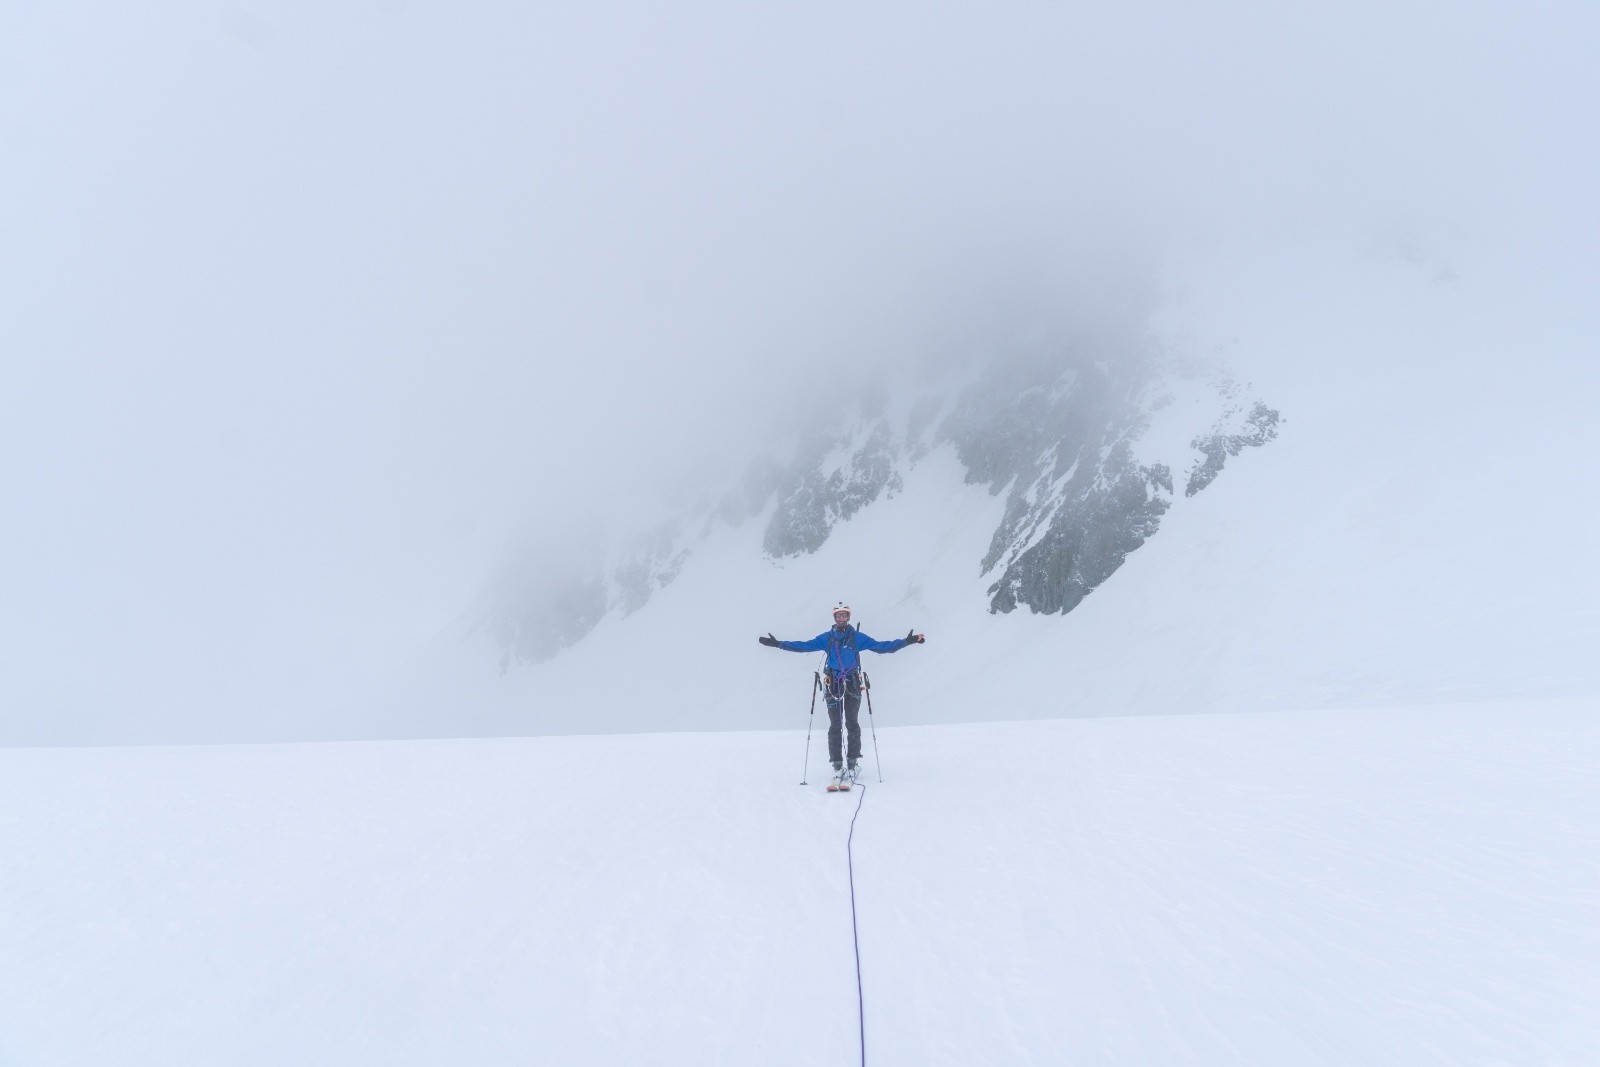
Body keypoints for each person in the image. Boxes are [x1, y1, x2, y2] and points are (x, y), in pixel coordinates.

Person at [759, 603, 925, 788]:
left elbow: (883, 647)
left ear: (849, 616)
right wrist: (778, 644)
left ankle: (852, 764)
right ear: (834, 618)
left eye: (844, 615)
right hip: (833, 685)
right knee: (835, 725)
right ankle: (837, 767)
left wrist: (907, 641)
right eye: (838, 616)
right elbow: (804, 646)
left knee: (852, 723)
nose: (841, 619)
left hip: (853, 683)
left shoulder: (857, 638)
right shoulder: (827, 638)